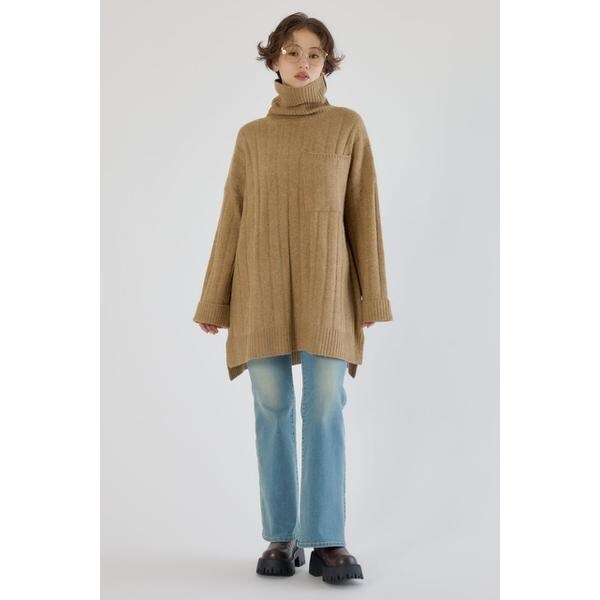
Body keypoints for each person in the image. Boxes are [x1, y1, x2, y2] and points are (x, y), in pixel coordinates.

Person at [192, 12, 393, 585]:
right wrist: (215, 300)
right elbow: (232, 218)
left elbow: (363, 213)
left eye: (314, 54)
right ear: (273, 59)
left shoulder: (347, 127)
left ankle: (327, 539)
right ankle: (282, 534)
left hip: (328, 288)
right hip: (259, 289)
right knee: (272, 405)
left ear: (327, 62)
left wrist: (370, 296)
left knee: (325, 403)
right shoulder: (251, 138)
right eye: (292, 51)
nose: (303, 63)